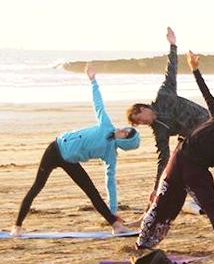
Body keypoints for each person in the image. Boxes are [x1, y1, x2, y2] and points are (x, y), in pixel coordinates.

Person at [136, 51, 214, 255]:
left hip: (178, 159)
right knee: (212, 211)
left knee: (162, 205)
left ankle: (143, 243)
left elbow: (206, 94)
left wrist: (195, 68)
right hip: (196, 173)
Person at [13, 64, 140, 236]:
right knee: (37, 186)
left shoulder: (110, 155)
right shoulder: (106, 126)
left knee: (91, 191)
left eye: (126, 134)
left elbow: (110, 182)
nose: (123, 130)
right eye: (126, 129)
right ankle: (17, 226)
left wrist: (113, 209)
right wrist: (93, 80)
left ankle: (116, 225)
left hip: (71, 161)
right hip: (56, 148)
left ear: (125, 142)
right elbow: (98, 104)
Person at [126, 27, 209, 203]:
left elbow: (171, 70)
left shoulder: (164, 95)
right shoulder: (159, 130)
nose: (144, 123)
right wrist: (155, 188)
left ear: (143, 108)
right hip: (191, 136)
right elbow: (162, 159)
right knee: (179, 161)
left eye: (141, 119)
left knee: (211, 159)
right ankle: (194, 196)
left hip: (206, 121)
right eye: (140, 123)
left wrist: (173, 45)